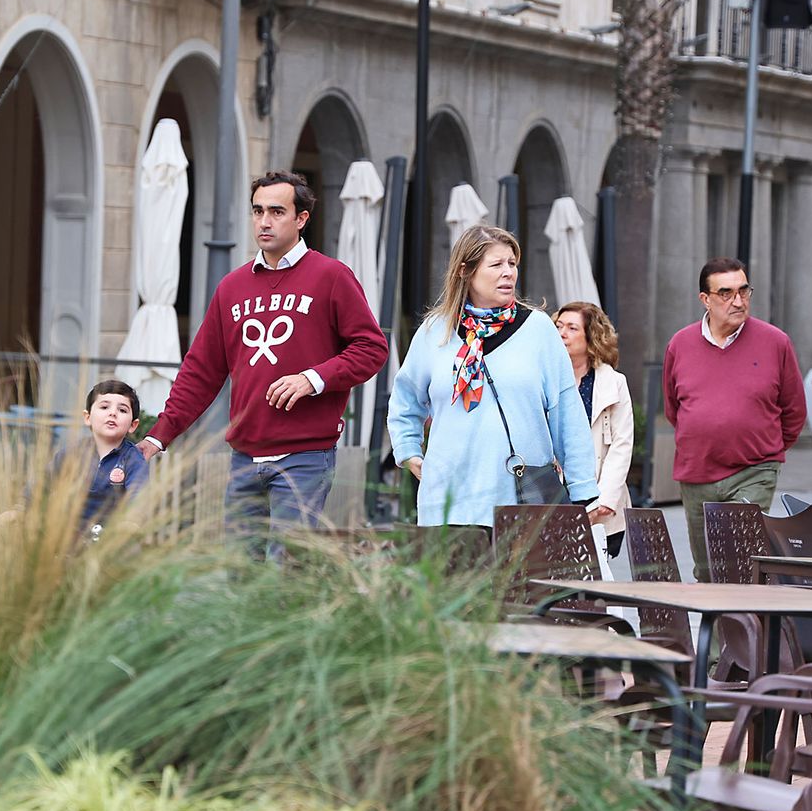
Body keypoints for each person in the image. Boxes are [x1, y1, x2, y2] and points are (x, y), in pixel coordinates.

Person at [136, 171, 387, 550]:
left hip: (305, 458)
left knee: (285, 574)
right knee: (240, 578)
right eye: (257, 211)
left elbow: (371, 349)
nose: (264, 222)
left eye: (276, 211)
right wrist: (159, 434)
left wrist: (313, 379)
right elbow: (201, 371)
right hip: (244, 458)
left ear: (301, 219)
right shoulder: (232, 287)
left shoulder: (331, 276)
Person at [389, 225, 599, 530]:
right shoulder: (436, 331)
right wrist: (409, 451)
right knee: (453, 579)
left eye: (512, 263)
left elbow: (567, 412)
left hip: (521, 500)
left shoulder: (539, 329)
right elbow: (405, 400)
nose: (508, 273)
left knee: (520, 581)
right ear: (465, 271)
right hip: (448, 501)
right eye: (497, 264)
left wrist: (581, 490)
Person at [662, 256, 806, 583]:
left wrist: (764, 450)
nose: (738, 301)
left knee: (740, 565)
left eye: (743, 291)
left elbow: (794, 409)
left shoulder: (775, 342)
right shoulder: (680, 344)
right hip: (697, 471)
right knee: (707, 570)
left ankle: (747, 633)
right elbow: (674, 408)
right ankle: (716, 636)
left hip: (753, 469)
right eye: (726, 293)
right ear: (705, 299)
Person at [555, 301, 632, 559]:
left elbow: (622, 444)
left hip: (600, 497)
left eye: (572, 328)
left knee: (596, 577)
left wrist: (606, 499)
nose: (562, 333)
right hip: (555, 496)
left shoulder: (614, 383)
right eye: (558, 326)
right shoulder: (545, 379)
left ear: (592, 337)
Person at [80, 379, 149, 527]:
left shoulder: (133, 460)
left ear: (133, 425)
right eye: (104, 407)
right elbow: (43, 482)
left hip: (112, 535)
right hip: (69, 534)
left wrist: (131, 520)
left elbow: (139, 494)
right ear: (88, 417)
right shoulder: (73, 454)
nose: (112, 413)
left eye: (122, 410)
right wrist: (22, 506)